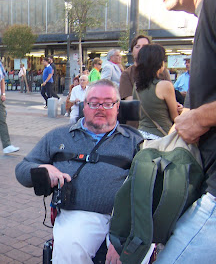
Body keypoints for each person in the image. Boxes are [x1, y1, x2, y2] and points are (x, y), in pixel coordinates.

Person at [107, 0, 214, 263]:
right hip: (174, 148)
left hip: (152, 145)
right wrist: (194, 115)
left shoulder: (140, 85)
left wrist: (202, 116)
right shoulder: (164, 85)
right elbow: (172, 116)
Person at [16, 79, 144, 264]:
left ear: (118, 107)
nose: (100, 107)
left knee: (135, 254)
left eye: (108, 103)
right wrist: (42, 169)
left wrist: (124, 236)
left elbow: (148, 190)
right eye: (93, 102)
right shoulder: (58, 136)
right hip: (78, 213)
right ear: (84, 106)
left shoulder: (135, 141)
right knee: (70, 251)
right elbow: (22, 169)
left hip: (127, 217)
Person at [132, 44, 183, 139]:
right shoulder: (165, 86)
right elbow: (175, 117)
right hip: (161, 137)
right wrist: (181, 111)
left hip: (141, 136)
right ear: (159, 63)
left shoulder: (136, 86)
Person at [119, 35, 171, 101]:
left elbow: (170, 96)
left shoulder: (162, 71)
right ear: (132, 51)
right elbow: (130, 101)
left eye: (145, 47)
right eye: (137, 47)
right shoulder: (126, 74)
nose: (141, 49)